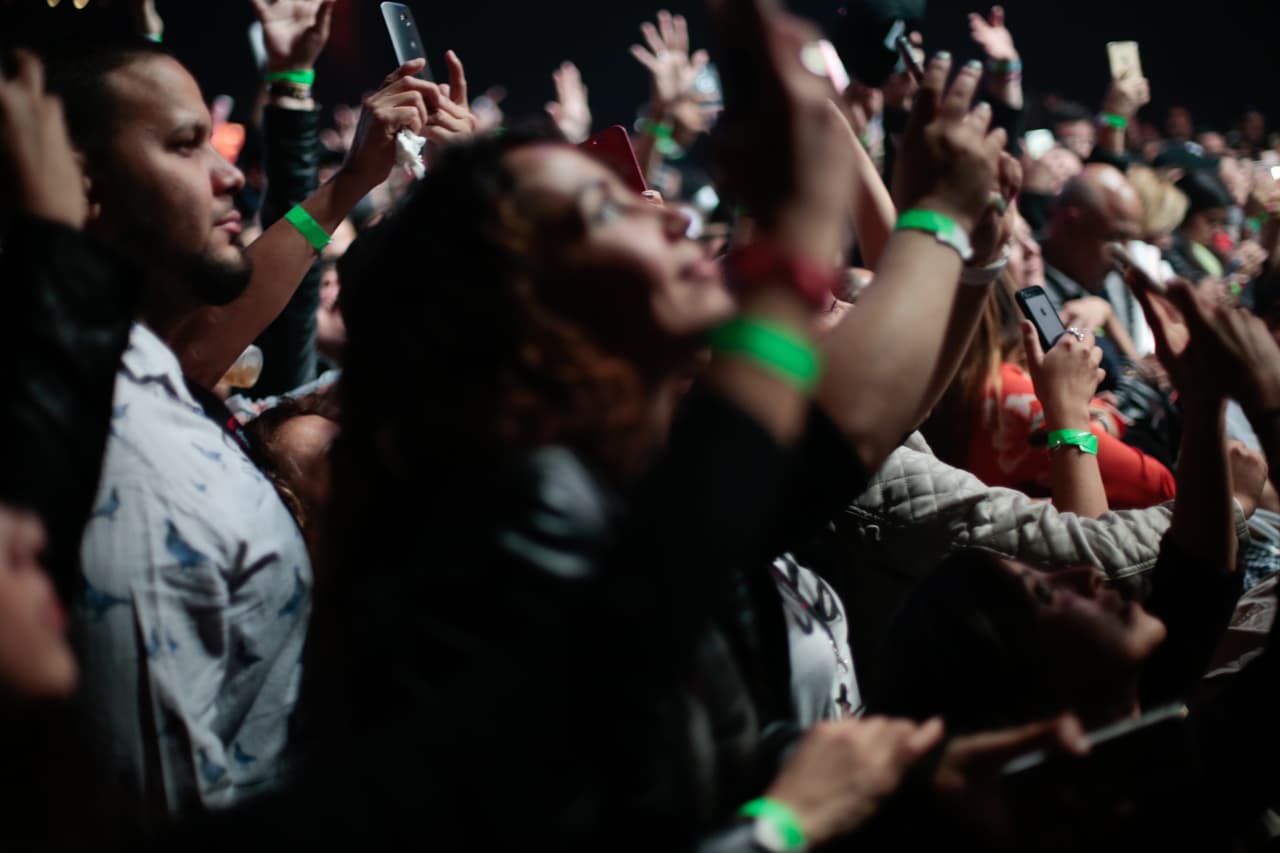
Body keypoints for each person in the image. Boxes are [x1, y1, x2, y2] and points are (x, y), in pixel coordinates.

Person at [299, 13, 1023, 847]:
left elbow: (847, 435)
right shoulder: (509, 522)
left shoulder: (612, 471)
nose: (672, 217)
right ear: (535, 312)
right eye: (610, 213)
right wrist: (785, 824)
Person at [43, 29, 446, 817]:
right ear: (84, 186)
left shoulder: (152, 381)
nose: (231, 172)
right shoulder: (129, 474)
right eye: (185, 145)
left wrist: (354, 181)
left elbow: (201, 339)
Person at [873, 273, 1280, 848]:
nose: (1081, 575)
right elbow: (1138, 515)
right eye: (1042, 594)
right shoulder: (1169, 798)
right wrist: (1265, 403)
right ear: (1023, 686)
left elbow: (1196, 583)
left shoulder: (1140, 718)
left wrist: (1204, 401)